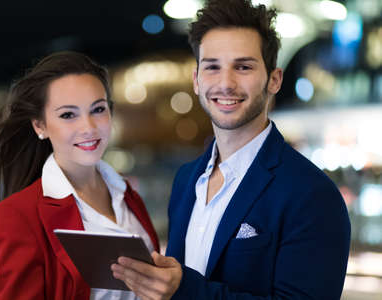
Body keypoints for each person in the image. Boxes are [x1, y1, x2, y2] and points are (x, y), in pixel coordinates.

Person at [111, 0, 351, 299]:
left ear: (274, 80)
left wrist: (182, 289)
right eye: (212, 67)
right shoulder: (187, 179)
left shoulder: (312, 194)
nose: (226, 83)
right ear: (196, 81)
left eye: (243, 66)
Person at [0, 51, 159, 300]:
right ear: (40, 126)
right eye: (68, 115)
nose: (88, 128)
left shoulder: (127, 195)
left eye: (98, 109)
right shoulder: (18, 215)